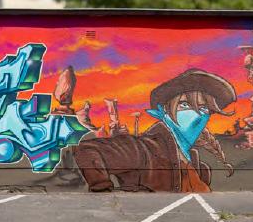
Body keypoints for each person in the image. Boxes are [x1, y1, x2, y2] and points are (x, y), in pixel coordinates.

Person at [67, 69, 238, 192]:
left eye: (205, 109)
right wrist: (102, 192)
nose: (196, 116)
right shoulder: (145, 150)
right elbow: (87, 150)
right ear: (163, 111)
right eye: (185, 105)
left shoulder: (200, 167)